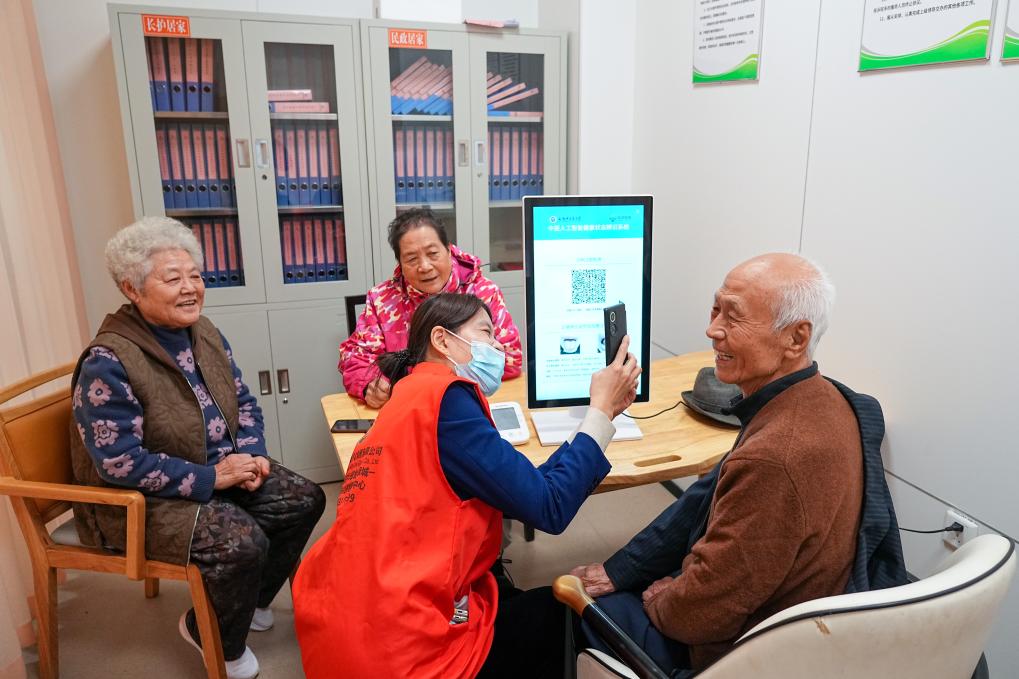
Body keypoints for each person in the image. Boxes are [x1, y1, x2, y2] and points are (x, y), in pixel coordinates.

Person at [571, 253, 907, 676]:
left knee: (576, 612)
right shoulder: (831, 399)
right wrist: (623, 569)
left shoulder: (776, 457)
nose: (713, 330)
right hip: (803, 616)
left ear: (796, 338)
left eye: (733, 317)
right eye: (716, 309)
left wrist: (665, 598)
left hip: (747, 655)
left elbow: (699, 615)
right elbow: (705, 496)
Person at [294, 292, 642, 679]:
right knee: (562, 615)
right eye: (486, 332)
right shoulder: (447, 401)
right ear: (442, 340)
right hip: (399, 648)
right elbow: (549, 507)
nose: (498, 346)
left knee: (505, 596)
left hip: (346, 618)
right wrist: (599, 409)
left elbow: (528, 487)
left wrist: (602, 416)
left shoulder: (409, 397)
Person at [69, 217, 326, 679]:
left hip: (216, 469)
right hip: (145, 498)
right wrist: (214, 477)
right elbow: (119, 462)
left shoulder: (204, 332)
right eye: (173, 279)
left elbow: (243, 401)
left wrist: (252, 452)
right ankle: (211, 634)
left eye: (195, 276)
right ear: (131, 288)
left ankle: (247, 601)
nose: (190, 289)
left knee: (304, 499)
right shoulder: (108, 361)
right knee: (241, 542)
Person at [338, 208, 523, 408]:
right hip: (409, 407)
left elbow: (510, 359)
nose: (425, 266)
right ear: (400, 263)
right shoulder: (382, 299)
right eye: (412, 259)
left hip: (469, 404)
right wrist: (370, 385)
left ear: (449, 250)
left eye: (433, 254)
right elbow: (354, 359)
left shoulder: (482, 292)